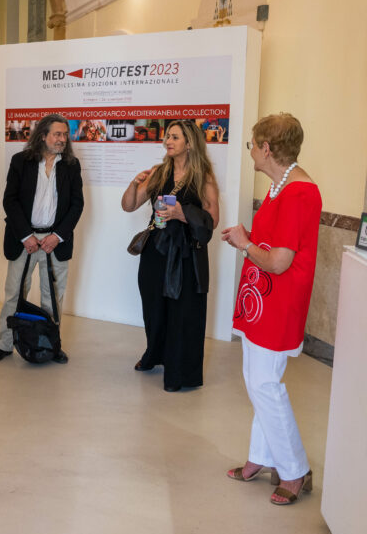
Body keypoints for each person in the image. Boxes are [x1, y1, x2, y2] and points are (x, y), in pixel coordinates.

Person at [221, 112, 321, 506]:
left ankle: (294, 470)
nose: (250, 152)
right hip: (262, 300)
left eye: (252, 145)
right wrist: (247, 240)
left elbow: (279, 262)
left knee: (265, 384)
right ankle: (262, 457)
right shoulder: (282, 185)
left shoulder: (299, 192)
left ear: (266, 148)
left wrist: (245, 243)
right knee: (256, 379)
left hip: (278, 302)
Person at [121, 120, 219, 392]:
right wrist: (133, 184)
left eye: (175, 137)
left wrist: (182, 214)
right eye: (167, 137)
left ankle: (180, 372)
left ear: (189, 143)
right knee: (153, 307)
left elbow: (213, 218)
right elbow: (129, 205)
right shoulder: (158, 172)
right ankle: (154, 353)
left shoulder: (203, 177)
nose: (168, 141)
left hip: (186, 254)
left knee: (183, 311)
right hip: (156, 249)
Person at [0, 113, 83, 364]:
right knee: (14, 294)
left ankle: (51, 344)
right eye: (57, 134)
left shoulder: (72, 165)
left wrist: (57, 236)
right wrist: (26, 236)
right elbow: (10, 200)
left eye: (65, 134)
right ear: (43, 135)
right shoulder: (21, 161)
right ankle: (4, 343)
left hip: (56, 242)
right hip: (24, 241)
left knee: (53, 297)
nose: (62, 139)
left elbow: (76, 204)